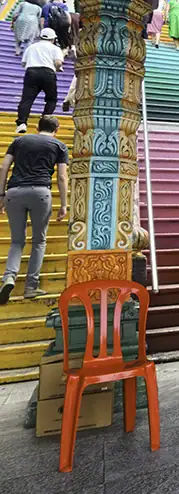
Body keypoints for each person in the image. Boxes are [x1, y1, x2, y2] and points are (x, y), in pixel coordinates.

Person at [0, 116, 69, 304]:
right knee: (39, 241)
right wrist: (64, 204)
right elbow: (62, 177)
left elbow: (4, 167)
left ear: (37, 127)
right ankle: (31, 286)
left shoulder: (19, 141)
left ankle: (9, 277)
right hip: (40, 193)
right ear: (57, 129)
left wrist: (1, 195)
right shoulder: (59, 146)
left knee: (17, 241)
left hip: (14, 192)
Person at [15, 28, 64, 134]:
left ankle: (22, 123)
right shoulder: (55, 48)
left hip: (31, 72)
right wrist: (57, 68)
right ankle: (44, 123)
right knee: (51, 99)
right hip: (48, 73)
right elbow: (58, 62)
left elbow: (24, 63)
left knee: (27, 99)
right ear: (53, 39)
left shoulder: (31, 47)